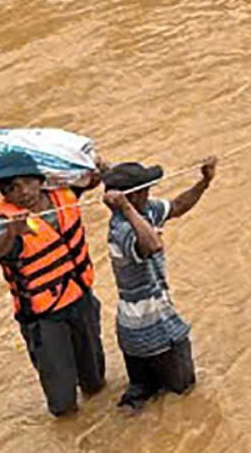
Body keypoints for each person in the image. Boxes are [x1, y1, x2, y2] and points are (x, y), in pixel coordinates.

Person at [0, 150, 105, 417]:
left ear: (40, 180)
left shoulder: (63, 196)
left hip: (81, 300)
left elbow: (89, 182)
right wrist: (12, 232)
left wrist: (96, 171)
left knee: (95, 384)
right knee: (63, 404)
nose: (22, 192)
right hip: (45, 318)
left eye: (26, 182)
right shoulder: (3, 222)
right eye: (11, 189)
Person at [102, 157, 217, 411]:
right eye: (145, 189)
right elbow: (153, 244)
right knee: (185, 394)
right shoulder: (123, 231)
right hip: (155, 329)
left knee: (141, 397)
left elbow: (176, 206)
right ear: (133, 197)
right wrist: (126, 208)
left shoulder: (144, 213)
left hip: (131, 330)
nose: (150, 192)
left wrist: (204, 182)